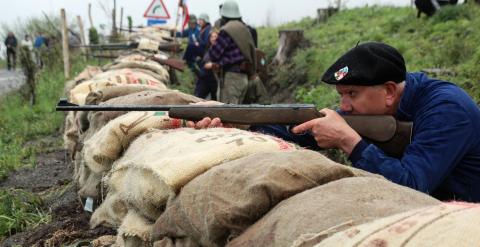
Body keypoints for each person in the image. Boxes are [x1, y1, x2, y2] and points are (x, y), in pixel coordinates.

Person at [189, 42, 480, 203]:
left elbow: (414, 185)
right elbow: (302, 130)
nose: (343, 106)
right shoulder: (375, 104)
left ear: (389, 91)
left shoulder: (447, 109)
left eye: (351, 94)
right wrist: (237, 119)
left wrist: (349, 142)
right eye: (341, 95)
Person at [209, 0, 257, 104]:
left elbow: (214, 54)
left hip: (231, 78)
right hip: (244, 78)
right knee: (236, 114)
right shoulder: (245, 28)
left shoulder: (226, 30)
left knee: (226, 114)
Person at [195, 30, 219, 100]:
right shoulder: (208, 48)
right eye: (212, 37)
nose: (213, 38)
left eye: (215, 37)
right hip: (204, 78)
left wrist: (212, 65)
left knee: (215, 100)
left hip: (214, 79)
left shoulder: (221, 50)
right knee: (197, 98)